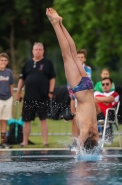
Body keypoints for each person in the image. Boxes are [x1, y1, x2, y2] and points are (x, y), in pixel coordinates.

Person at [46, 8, 99, 149]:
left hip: (88, 87)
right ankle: (56, 24)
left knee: (74, 55)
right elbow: (81, 145)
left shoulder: (95, 132)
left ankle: (60, 23)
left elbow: (96, 144)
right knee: (67, 55)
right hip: (80, 91)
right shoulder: (87, 130)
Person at [16, 42, 56, 146]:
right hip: (29, 97)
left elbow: (52, 78)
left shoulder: (48, 63)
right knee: (26, 120)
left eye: (40, 49)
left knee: (43, 119)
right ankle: (24, 142)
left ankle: (45, 142)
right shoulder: (28, 63)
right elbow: (22, 79)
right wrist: (18, 92)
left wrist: (51, 91)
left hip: (42, 96)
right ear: (32, 51)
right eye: (36, 49)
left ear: (43, 51)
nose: (38, 51)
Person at [67, 49, 92, 147]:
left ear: (84, 59)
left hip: (85, 96)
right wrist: (72, 97)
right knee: (74, 117)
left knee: (85, 118)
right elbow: (69, 84)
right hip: (75, 96)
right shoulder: (71, 68)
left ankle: (85, 139)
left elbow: (88, 81)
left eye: (82, 57)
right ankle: (74, 140)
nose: (80, 59)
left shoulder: (88, 69)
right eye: (78, 57)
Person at [94, 77, 119, 141]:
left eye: (107, 84)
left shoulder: (115, 94)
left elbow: (107, 100)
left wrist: (97, 99)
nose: (105, 86)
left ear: (111, 85)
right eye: (103, 84)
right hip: (96, 114)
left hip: (107, 115)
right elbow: (105, 100)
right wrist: (103, 101)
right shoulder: (97, 93)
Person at [0, 53, 14, 148]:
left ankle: (3, 142)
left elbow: (11, 85)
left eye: (5, 60)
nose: (3, 62)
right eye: (1, 60)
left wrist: (12, 97)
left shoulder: (9, 72)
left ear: (7, 62)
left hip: (8, 98)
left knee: (4, 121)